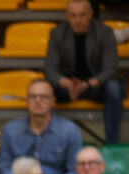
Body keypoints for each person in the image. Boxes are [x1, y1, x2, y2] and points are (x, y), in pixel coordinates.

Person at [45, 0, 123, 143]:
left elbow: (110, 69)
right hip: (68, 87)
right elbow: (50, 69)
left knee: (114, 88)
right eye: (73, 15)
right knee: (42, 89)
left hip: (96, 87)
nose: (78, 20)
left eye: (82, 15)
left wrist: (85, 85)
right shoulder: (57, 33)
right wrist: (68, 84)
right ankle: (47, 141)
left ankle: (112, 144)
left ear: (91, 15)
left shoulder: (105, 32)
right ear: (67, 16)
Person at [0, 79, 82, 174]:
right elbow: (4, 167)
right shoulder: (10, 130)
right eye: (33, 96)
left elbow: (75, 171)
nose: (38, 101)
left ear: (53, 101)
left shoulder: (70, 131)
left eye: (43, 97)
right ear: (27, 101)